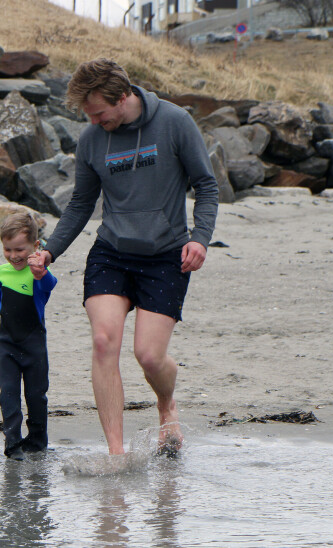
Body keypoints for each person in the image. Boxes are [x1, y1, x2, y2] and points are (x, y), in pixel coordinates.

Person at [29, 58, 219, 456]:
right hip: (111, 252)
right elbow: (81, 203)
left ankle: (166, 403)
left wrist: (200, 238)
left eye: (98, 113)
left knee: (149, 356)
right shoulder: (92, 139)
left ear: (122, 97)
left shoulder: (174, 122)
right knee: (103, 341)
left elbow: (206, 184)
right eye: (88, 115)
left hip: (166, 254)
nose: (94, 121)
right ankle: (116, 454)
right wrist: (49, 251)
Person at [0, 212, 58, 460]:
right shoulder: (3, 272)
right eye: (7, 249)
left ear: (35, 246)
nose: (14, 256)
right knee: (8, 393)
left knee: (36, 395)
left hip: (34, 345)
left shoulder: (38, 273)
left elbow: (50, 286)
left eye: (20, 249)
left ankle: (37, 442)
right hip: (7, 345)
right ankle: (13, 443)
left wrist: (41, 271)